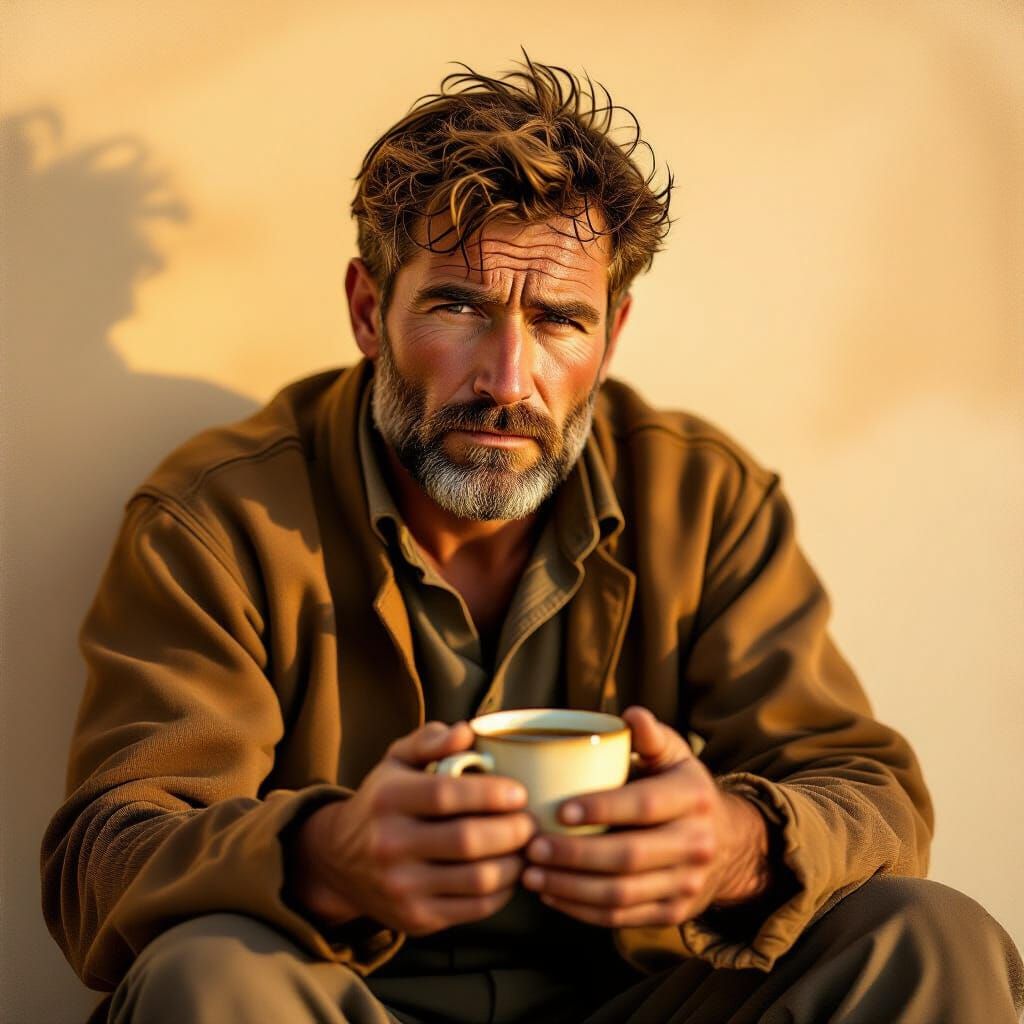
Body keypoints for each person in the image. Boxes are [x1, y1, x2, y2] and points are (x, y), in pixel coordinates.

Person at [41, 55, 1022, 1024]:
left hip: (644, 1000)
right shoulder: (217, 518)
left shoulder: (703, 496)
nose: (508, 379)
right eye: (459, 307)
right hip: (330, 1003)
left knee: (930, 938)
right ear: (367, 309)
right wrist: (326, 853)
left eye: (557, 320)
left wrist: (732, 844)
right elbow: (103, 863)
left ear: (613, 333)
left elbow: (873, 794)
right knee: (207, 978)